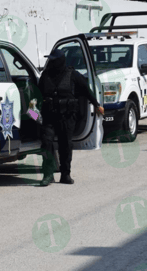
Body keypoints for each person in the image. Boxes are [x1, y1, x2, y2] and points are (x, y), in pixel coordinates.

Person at [38, 50, 104, 186]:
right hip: (49, 116)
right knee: (46, 143)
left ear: (60, 60)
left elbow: (86, 90)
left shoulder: (72, 75)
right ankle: (48, 174)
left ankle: (65, 174)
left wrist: (97, 105)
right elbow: (37, 96)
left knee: (66, 145)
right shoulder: (45, 75)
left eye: (54, 60)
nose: (51, 62)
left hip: (67, 116)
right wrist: (34, 115)